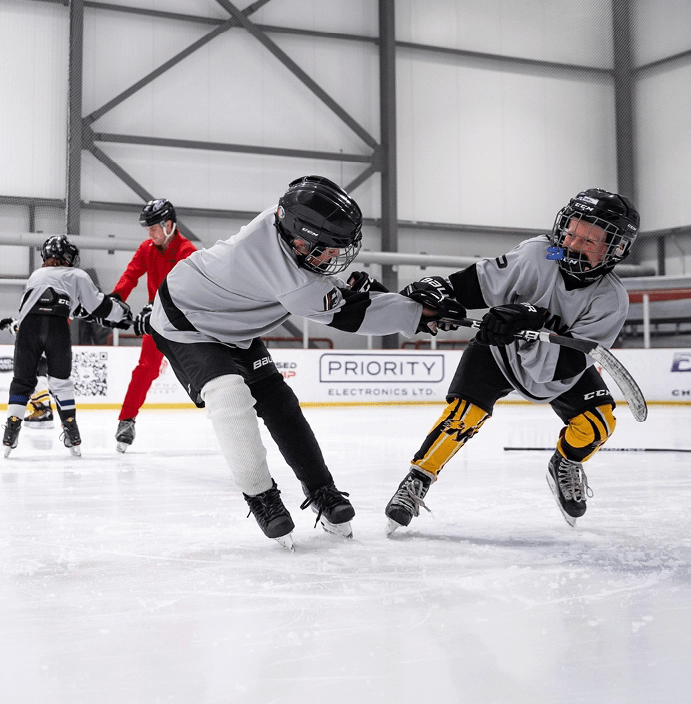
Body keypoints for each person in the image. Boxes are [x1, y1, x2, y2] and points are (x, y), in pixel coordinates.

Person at [146, 176, 464, 549]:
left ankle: (321, 489)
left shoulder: (283, 228)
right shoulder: (286, 275)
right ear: (300, 238)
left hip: (229, 320)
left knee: (280, 403)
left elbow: (329, 288)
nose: (334, 257)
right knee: (229, 395)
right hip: (184, 320)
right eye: (328, 249)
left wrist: (380, 297)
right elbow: (348, 315)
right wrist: (416, 314)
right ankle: (260, 496)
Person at [384, 188, 640, 532]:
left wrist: (536, 318)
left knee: (598, 424)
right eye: (571, 232)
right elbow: (479, 283)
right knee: (463, 415)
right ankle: (417, 479)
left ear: (614, 249)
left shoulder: (611, 300)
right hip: (497, 350)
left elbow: (567, 365)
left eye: (588, 241)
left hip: (555, 369)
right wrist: (441, 290)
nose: (573, 244)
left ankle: (565, 463)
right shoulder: (539, 253)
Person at [2, 235, 133, 459]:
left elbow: (30, 311)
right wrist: (123, 313)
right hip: (57, 329)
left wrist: (16, 328)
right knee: (61, 383)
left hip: (28, 331)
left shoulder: (36, 275)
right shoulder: (77, 274)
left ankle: (11, 432)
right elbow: (98, 306)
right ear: (67, 257)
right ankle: (72, 434)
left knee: (22, 382)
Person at [110, 199, 197, 452]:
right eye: (147, 229)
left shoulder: (186, 252)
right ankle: (126, 421)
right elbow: (130, 275)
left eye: (153, 228)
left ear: (168, 224)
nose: (150, 233)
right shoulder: (147, 248)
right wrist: (115, 300)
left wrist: (159, 307)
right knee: (145, 369)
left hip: (183, 320)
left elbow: (187, 292)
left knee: (200, 370)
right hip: (155, 321)